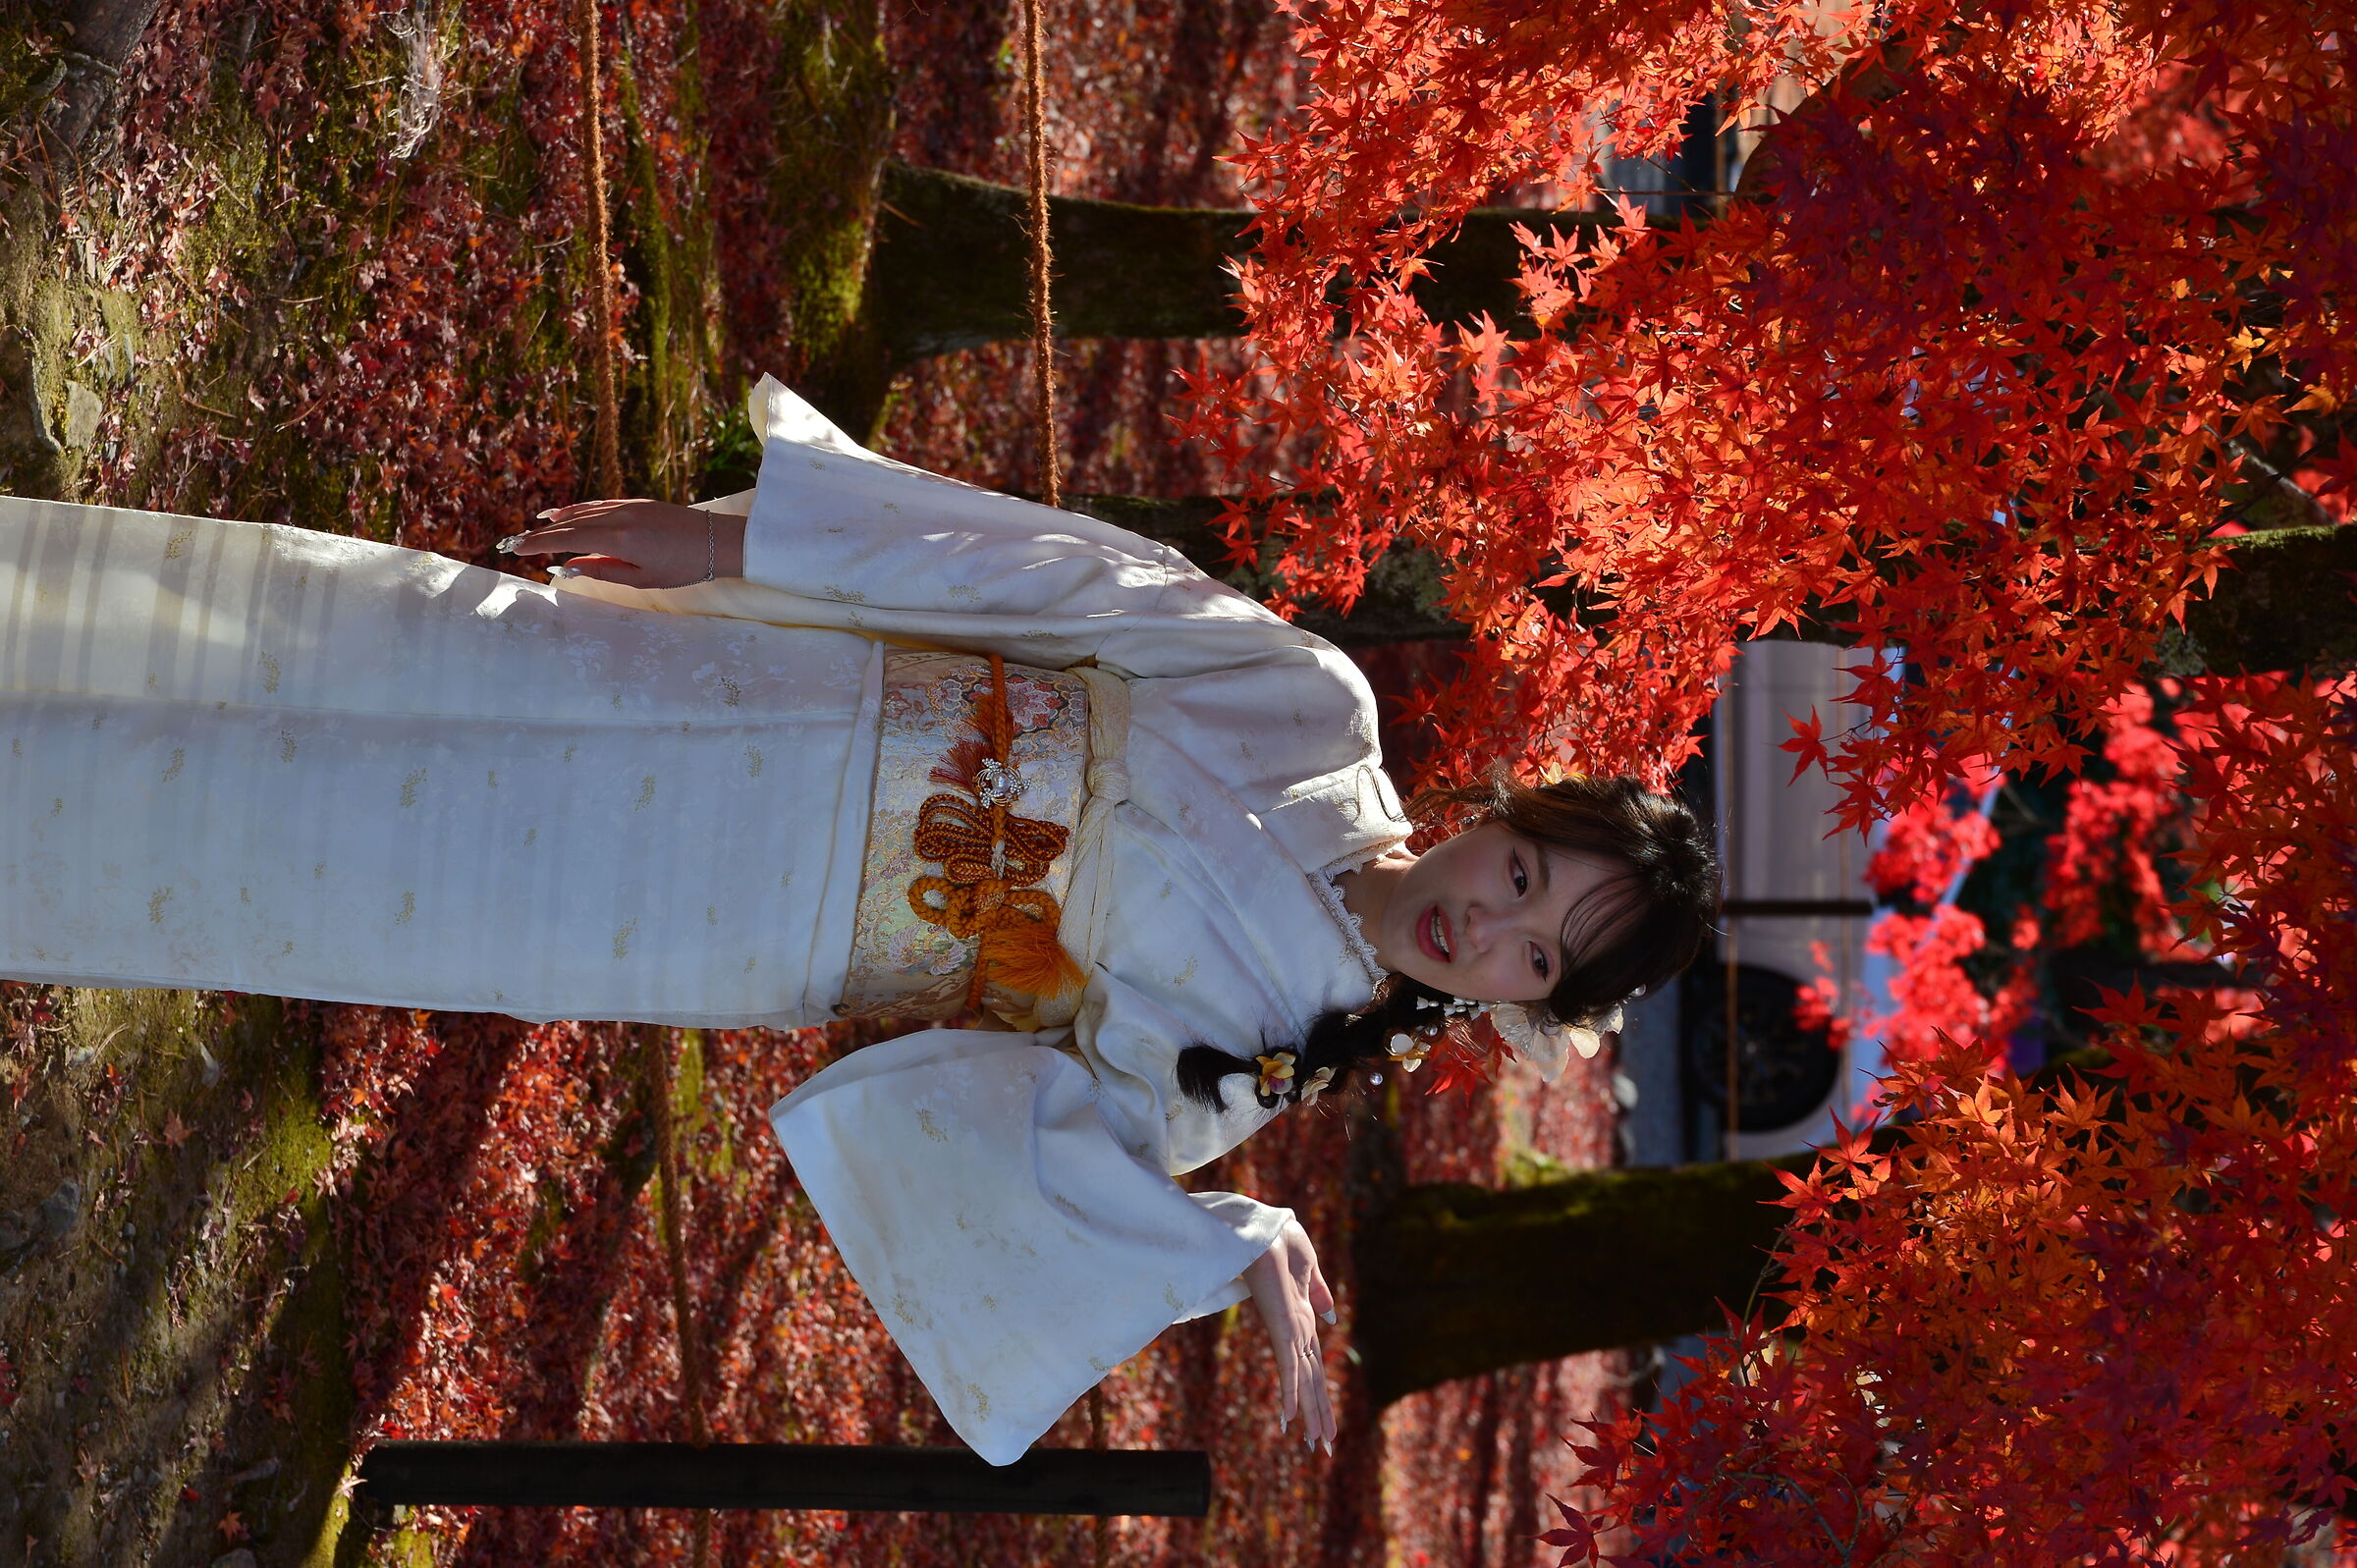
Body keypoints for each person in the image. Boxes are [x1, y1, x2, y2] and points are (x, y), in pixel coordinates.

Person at [0, 375, 1716, 1463]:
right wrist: (741, 536)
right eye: (1521, 876)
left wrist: (1231, 1243)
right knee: (399, 650)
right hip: (770, 704)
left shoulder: (1272, 1056)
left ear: (1525, 1005)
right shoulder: (1312, 713)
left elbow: (1053, 1149)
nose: (1488, 927)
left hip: (741, 914)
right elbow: (1058, 581)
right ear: (1504, 815)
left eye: (1538, 954)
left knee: (371, 868)